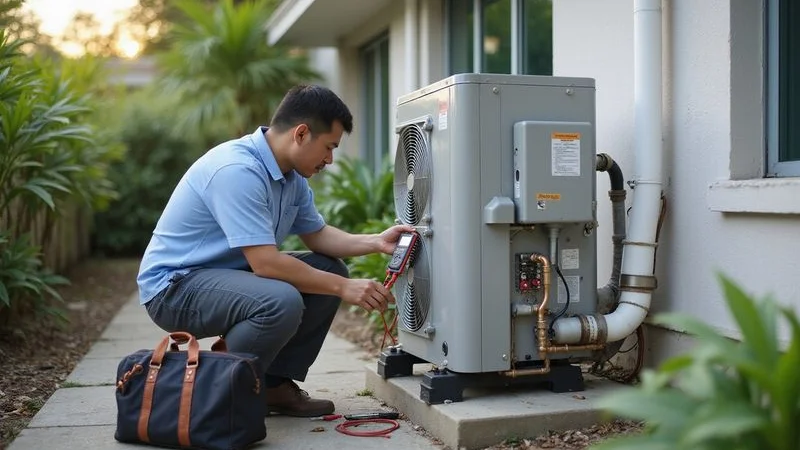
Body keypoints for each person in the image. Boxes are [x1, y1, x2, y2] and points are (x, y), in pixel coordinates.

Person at [136, 84, 413, 418]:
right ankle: (213, 395)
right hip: (175, 288)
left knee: (330, 269)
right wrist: (345, 289)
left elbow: (318, 236)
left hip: (227, 276)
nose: (330, 159)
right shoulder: (236, 170)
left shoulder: (291, 177)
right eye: (329, 147)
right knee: (280, 300)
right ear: (301, 133)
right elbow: (266, 264)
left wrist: (375, 242)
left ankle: (273, 386)